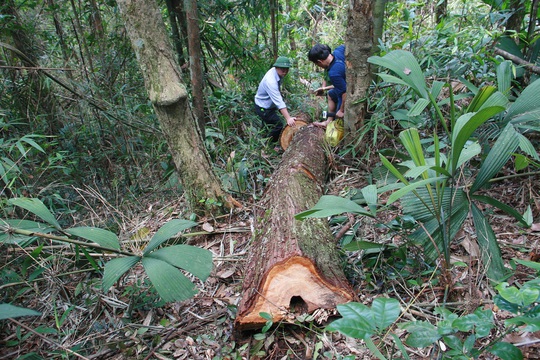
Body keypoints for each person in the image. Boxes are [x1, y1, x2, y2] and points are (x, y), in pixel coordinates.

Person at [254, 56, 296, 143]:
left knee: (269, 125)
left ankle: (264, 138)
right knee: (279, 125)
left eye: (286, 69)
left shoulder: (277, 73)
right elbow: (278, 100)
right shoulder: (270, 81)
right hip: (263, 107)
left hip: (269, 105)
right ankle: (268, 145)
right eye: (282, 69)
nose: (284, 71)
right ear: (276, 67)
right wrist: (288, 118)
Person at [308, 44, 346, 128]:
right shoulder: (338, 51)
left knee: (339, 119)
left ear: (319, 61)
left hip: (347, 94)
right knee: (331, 94)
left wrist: (341, 110)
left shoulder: (334, 73)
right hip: (348, 85)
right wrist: (324, 88)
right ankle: (328, 121)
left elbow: (345, 93)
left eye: (316, 64)